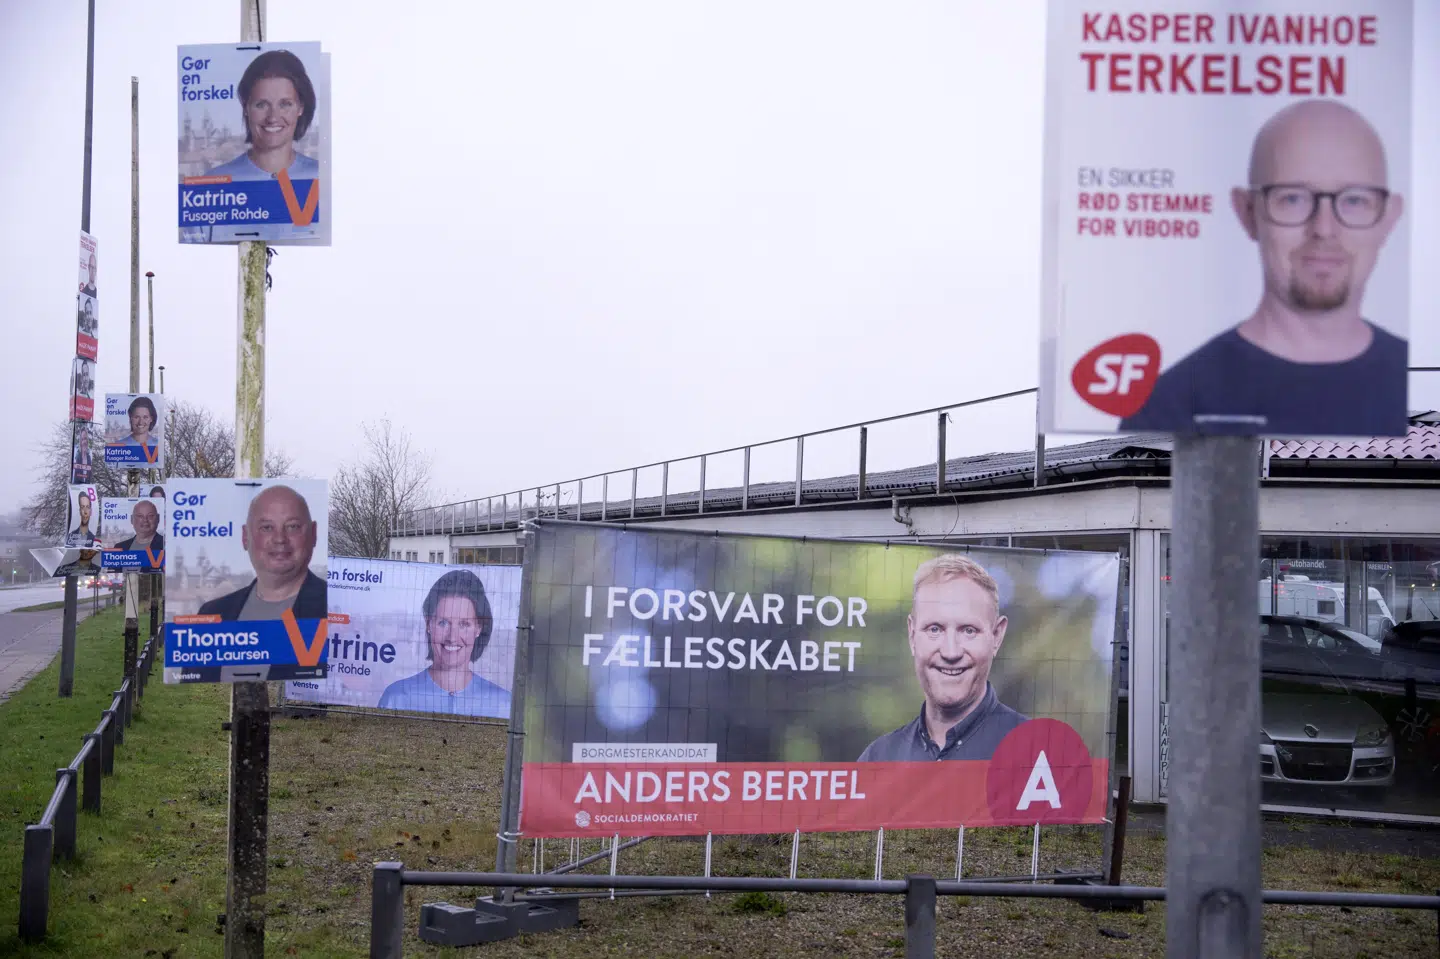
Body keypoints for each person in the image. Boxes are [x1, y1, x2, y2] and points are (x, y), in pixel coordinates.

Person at [1121, 99, 1407, 436]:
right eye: (1293, 198)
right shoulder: (1168, 407)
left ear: (1389, 217)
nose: (1324, 229)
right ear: (1247, 212)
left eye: (1355, 200)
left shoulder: (1409, 381)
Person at [858, 553, 1027, 761]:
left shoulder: (1039, 754)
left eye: (969, 631)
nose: (951, 652)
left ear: (997, 636)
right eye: (935, 629)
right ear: (912, 635)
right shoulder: (877, 759)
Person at [377, 570, 511, 718]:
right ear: (429, 624)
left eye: (464, 624)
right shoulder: (396, 698)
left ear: (478, 628)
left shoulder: (502, 704)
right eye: (443, 623)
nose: (452, 637)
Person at [196, 484, 326, 622]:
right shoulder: (212, 614)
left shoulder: (337, 608)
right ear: (245, 537)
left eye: (292, 527)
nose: (280, 539)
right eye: (267, 528)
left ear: (313, 533)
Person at [205, 50, 319, 182]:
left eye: (285, 104)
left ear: (301, 108)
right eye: (261, 105)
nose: (272, 118)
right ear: (245, 107)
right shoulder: (214, 181)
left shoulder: (322, 176)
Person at [113, 499, 164, 566]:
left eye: (150, 516)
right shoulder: (119, 548)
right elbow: (114, 573)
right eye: (140, 516)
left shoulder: (166, 546)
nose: (145, 520)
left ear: (158, 518)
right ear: (132, 519)